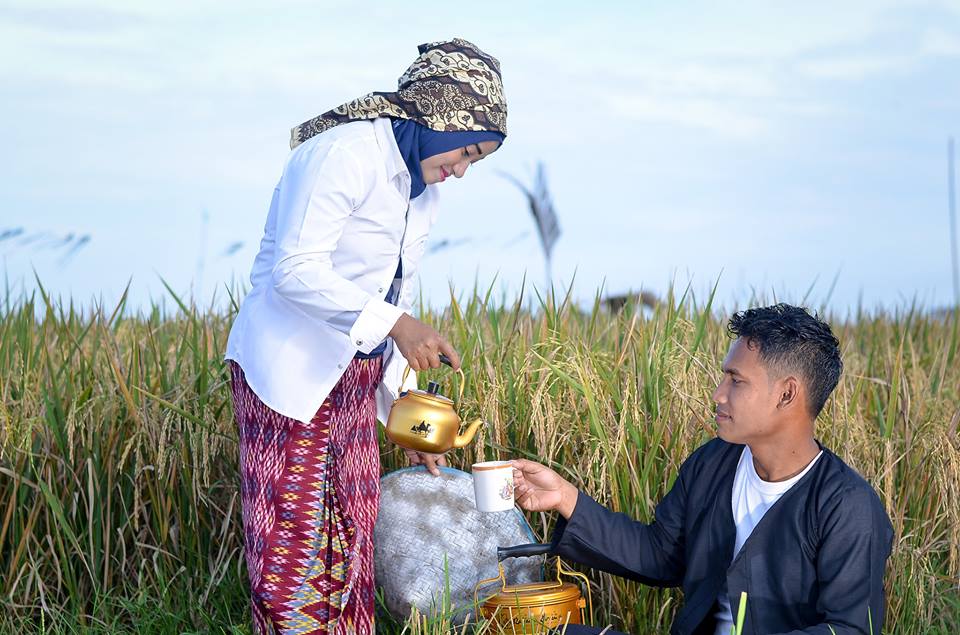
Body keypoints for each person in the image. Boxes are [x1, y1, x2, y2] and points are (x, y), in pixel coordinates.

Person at [224, 38, 507, 634]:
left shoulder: (421, 193)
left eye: (474, 164)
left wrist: (404, 416)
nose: (459, 171)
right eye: (466, 152)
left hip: (351, 380)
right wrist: (400, 325)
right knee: (296, 542)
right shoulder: (343, 154)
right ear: (439, 114)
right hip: (291, 375)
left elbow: (391, 302)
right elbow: (295, 271)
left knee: (352, 526)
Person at [512, 304, 894, 635]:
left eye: (736, 380)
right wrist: (566, 498)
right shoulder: (713, 463)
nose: (718, 393)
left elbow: (848, 627)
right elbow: (660, 555)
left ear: (787, 393)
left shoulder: (846, 507)